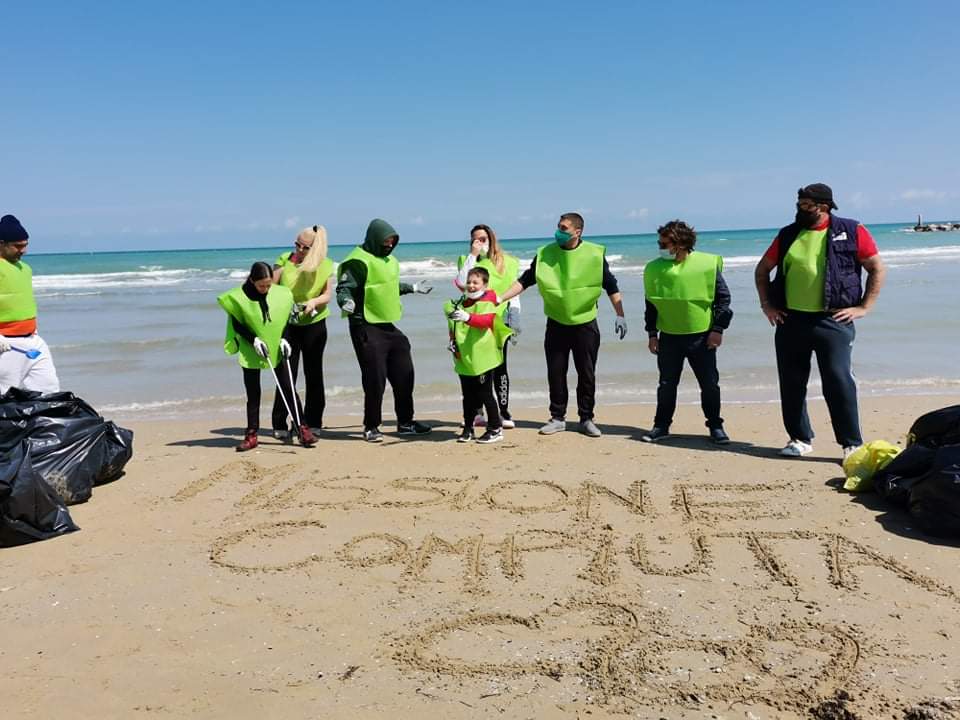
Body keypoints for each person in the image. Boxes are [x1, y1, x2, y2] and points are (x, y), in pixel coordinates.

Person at [754, 183, 886, 459]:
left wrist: (864, 307)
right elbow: (763, 270)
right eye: (799, 204)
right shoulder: (788, 234)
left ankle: (851, 444)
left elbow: (876, 268)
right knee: (791, 382)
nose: (799, 209)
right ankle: (799, 439)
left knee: (838, 380)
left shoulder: (851, 230)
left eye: (805, 205)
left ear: (823, 207)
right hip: (791, 320)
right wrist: (767, 305)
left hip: (834, 320)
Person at [498, 213, 627, 437]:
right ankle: (557, 417)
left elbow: (611, 285)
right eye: (558, 227)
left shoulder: (594, 254)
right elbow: (525, 280)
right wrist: (500, 298)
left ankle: (586, 418)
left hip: (585, 322)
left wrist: (620, 315)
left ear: (578, 232)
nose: (558, 231)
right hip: (556, 322)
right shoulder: (546, 253)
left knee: (586, 373)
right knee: (556, 372)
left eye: (564, 228)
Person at [335, 218, 433, 442]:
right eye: (385, 241)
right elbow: (344, 287)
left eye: (392, 241)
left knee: (404, 372)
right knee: (375, 379)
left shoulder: (388, 261)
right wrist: (345, 301)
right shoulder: (357, 261)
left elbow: (388, 287)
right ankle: (371, 426)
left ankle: (406, 423)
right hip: (364, 324)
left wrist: (413, 288)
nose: (389, 245)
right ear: (374, 239)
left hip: (386, 324)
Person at [641, 220, 732, 444]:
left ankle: (715, 426)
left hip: (702, 336)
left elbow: (723, 299)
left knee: (709, 384)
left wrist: (718, 329)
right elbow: (651, 304)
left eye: (664, 243)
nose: (660, 246)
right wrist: (652, 334)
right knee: (666, 384)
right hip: (669, 337)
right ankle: (661, 426)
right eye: (659, 242)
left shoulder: (706, 264)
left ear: (680, 243)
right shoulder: (653, 268)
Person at [218, 262, 316, 451]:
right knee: (253, 394)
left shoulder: (281, 293)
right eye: (262, 285)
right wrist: (253, 340)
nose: (266, 289)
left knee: (288, 387)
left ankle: (303, 429)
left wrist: (285, 339)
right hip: (251, 348)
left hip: (277, 345)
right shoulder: (238, 297)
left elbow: (287, 318)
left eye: (269, 285)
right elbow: (238, 325)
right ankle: (251, 435)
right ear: (252, 280)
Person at [453, 224, 520, 428]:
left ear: (491, 239)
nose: (479, 243)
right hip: (471, 322)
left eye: (482, 239)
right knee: (475, 368)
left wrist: (516, 320)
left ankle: (504, 412)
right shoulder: (467, 261)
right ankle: (477, 413)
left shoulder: (508, 262)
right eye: (474, 239)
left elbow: (514, 290)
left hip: (498, 323)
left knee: (499, 368)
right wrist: (473, 255)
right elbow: (462, 284)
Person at [271, 225, 334, 438]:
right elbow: (270, 287)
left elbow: (327, 294)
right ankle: (280, 421)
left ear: (314, 249)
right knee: (286, 374)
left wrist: (313, 302)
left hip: (315, 325)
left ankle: (313, 421)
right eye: (296, 244)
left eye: (304, 247)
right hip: (287, 325)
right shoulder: (284, 259)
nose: (298, 249)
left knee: (314, 375)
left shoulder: (324, 265)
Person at [445, 266, 513, 444]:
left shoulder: (487, 302)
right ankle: (468, 429)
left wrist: (467, 318)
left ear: (484, 284)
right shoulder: (461, 303)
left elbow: (487, 320)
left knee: (485, 394)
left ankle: (495, 428)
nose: (471, 285)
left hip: (483, 358)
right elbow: (452, 324)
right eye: (469, 282)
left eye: (476, 282)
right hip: (465, 359)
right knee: (467, 395)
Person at [0, 214, 60, 394]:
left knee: (49, 389)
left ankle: (46, 422)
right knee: (5, 395)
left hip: (32, 340)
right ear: (2, 243)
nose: (23, 250)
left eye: (25, 245)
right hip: (6, 344)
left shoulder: (25, 269)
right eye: (18, 246)